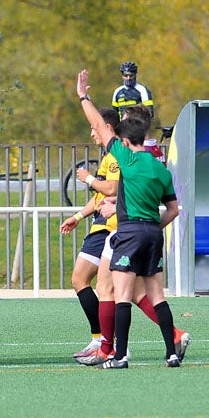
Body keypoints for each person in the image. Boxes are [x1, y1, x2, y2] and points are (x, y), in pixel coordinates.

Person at [77, 69, 181, 368]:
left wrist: (84, 96)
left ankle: (119, 355)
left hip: (130, 231)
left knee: (121, 295)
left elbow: (98, 123)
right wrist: (154, 226)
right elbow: (173, 210)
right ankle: (171, 352)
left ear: (124, 140)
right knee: (157, 294)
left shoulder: (126, 158)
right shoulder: (161, 169)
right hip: (152, 233)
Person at [59, 108, 121, 360]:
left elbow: (111, 188)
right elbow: (99, 197)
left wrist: (88, 179)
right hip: (99, 224)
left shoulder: (115, 154)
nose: (91, 132)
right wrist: (77, 217)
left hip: (109, 226)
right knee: (84, 281)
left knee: (118, 290)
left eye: (95, 127)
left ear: (107, 127)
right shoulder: (109, 154)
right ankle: (102, 339)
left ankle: (104, 341)